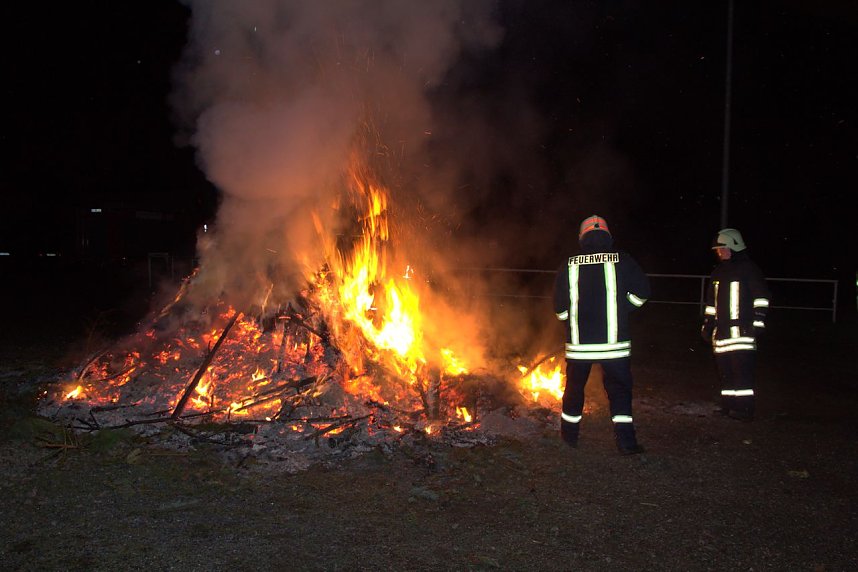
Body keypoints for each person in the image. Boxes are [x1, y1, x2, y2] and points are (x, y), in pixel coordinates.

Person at [553, 215, 650, 455]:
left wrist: (571, 322)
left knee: (574, 391)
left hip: (579, 347)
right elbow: (643, 293)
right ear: (608, 236)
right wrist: (623, 310)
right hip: (614, 346)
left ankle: (568, 439)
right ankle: (626, 443)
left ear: (582, 237)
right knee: (619, 392)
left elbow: (559, 307)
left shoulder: (569, 263)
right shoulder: (623, 260)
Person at [701, 228, 770, 421]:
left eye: (722, 248)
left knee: (742, 373)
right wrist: (708, 325)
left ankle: (744, 409)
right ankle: (728, 406)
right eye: (718, 249)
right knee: (725, 373)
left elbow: (762, 298)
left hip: (742, 333)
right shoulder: (718, 273)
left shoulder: (749, 270)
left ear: (734, 246)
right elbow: (711, 304)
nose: (719, 252)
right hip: (721, 334)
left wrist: (757, 322)